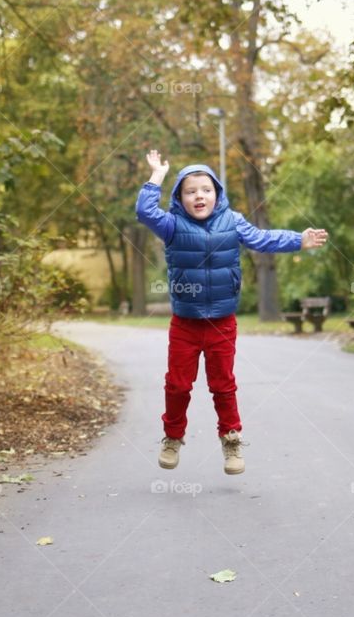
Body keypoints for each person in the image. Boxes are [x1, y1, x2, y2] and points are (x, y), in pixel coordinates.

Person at [135, 150, 328, 474]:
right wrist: (156, 176)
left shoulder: (233, 221)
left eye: (206, 190)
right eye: (191, 191)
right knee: (178, 385)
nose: (199, 196)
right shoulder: (171, 226)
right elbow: (144, 211)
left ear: (217, 194)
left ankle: (231, 439)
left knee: (223, 384)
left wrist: (299, 240)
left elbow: (264, 239)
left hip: (222, 322)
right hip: (185, 323)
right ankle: (172, 437)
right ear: (181, 197)